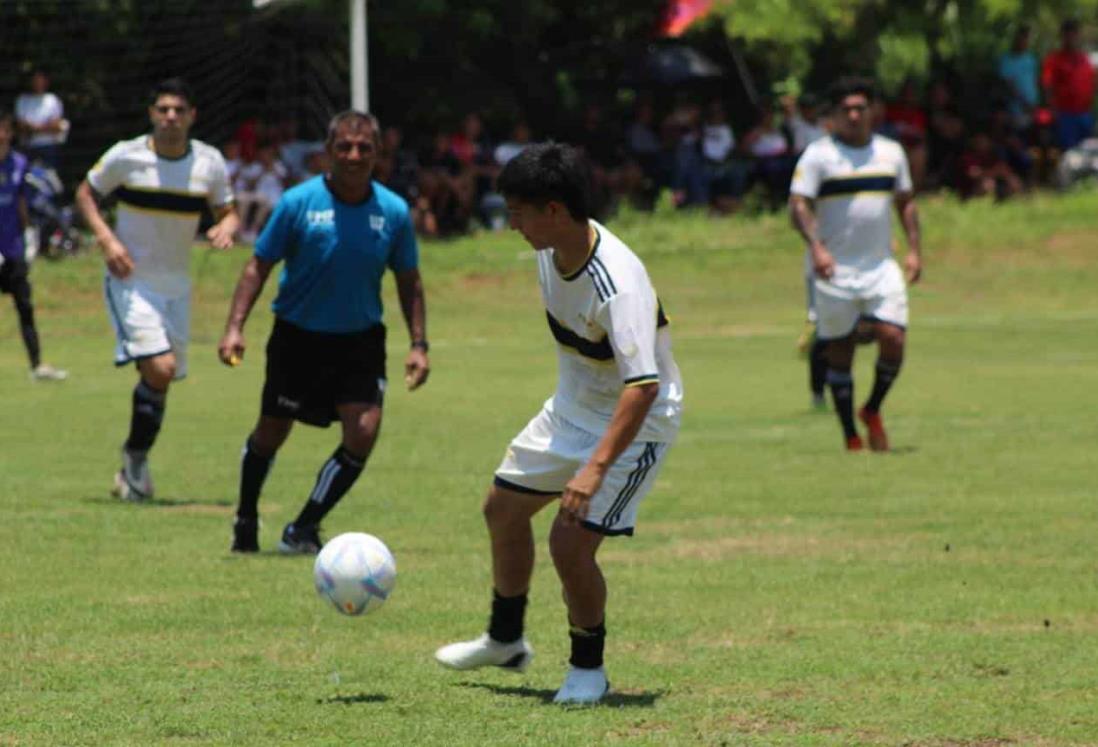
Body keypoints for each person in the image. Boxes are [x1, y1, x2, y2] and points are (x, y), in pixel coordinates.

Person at [434, 143, 683, 704]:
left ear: (554, 210)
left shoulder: (618, 282)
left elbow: (642, 386)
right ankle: (505, 639)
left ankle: (589, 667)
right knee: (502, 508)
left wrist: (594, 470)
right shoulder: (551, 250)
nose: (512, 223)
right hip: (574, 407)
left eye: (519, 211)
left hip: (638, 420)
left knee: (569, 544)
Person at [217, 110, 429, 555]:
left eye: (364, 148)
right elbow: (259, 265)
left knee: (364, 431)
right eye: (345, 147)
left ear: (377, 153)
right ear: (328, 152)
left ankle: (305, 525)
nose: (354, 156)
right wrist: (234, 327)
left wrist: (418, 345)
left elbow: (409, 280)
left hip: (360, 341)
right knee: (271, 433)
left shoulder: (392, 211)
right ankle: (245, 516)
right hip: (298, 339)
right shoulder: (298, 203)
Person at [74, 78, 238, 501]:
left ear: (191, 116)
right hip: (131, 282)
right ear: (152, 114)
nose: (170, 118)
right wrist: (108, 241)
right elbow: (86, 194)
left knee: (161, 380)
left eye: (178, 110)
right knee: (159, 368)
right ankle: (135, 464)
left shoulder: (208, 163)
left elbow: (228, 210)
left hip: (177, 287)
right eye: (163, 109)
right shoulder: (126, 157)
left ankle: (134, 462)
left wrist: (226, 226)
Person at [789, 77, 922, 451]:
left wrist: (914, 250)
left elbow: (906, 202)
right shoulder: (819, 156)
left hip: (881, 266)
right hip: (835, 270)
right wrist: (817, 248)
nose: (853, 115)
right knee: (839, 350)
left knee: (894, 337)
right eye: (846, 109)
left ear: (872, 112)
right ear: (833, 116)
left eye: (860, 108)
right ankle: (850, 435)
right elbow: (798, 206)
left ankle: (873, 409)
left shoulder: (891, 153)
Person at [0, 111, 67, 381]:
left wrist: (29, 238)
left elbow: (22, 203)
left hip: (12, 249)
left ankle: (37, 365)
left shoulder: (19, 163)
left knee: (25, 308)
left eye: (4, 129)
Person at [1042, 19, 1096, 151]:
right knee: (1070, 153)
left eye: (1074, 34)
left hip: (1085, 115)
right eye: (1067, 34)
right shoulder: (1053, 60)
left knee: (1087, 152)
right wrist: (1053, 110)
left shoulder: (1085, 60)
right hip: (1065, 115)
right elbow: (1047, 86)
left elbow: (1092, 84)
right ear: (1062, 36)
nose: (1071, 38)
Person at [14, 70, 67, 170]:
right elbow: (20, 126)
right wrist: (46, 127)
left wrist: (32, 128)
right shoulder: (22, 100)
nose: (37, 82)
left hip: (48, 147)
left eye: (39, 79)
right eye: (34, 79)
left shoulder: (52, 100)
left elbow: (56, 126)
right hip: (28, 147)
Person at [998, 25, 1039, 133]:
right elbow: (1008, 85)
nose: (1025, 42)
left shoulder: (1030, 59)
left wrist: (1034, 104)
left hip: (1032, 108)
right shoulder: (1006, 60)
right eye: (1022, 38)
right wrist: (1024, 103)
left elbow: (1034, 82)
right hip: (1016, 110)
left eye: (1027, 39)